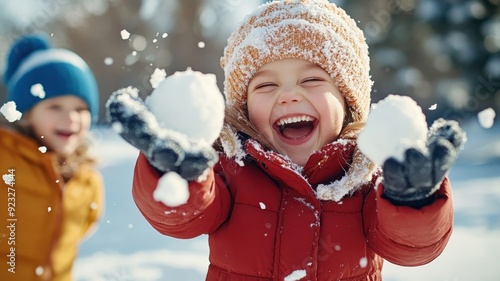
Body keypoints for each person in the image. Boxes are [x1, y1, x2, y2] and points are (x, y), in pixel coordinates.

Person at [107, 0, 466, 280]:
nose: (289, 95)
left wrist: (413, 201)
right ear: (244, 109)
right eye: (266, 85)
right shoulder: (230, 168)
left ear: (348, 101)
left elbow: (411, 248)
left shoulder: (368, 176)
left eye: (311, 80)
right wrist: (176, 175)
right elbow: (183, 217)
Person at [0, 34, 103, 281]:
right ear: (26, 114)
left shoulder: (87, 179)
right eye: (55, 106)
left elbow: (83, 229)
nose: (71, 118)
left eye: (81, 109)